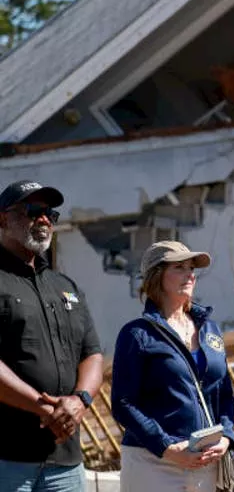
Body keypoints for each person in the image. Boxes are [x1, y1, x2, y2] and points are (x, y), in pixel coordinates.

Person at [0, 180, 104, 492]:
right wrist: (43, 408)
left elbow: (93, 354)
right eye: (33, 211)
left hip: (66, 464)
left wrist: (80, 401)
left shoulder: (65, 285)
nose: (44, 219)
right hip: (8, 461)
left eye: (50, 214)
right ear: (3, 219)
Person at [111, 241, 234, 491]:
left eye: (191, 268)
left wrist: (226, 437)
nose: (190, 274)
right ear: (157, 277)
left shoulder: (210, 330)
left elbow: (224, 394)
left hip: (205, 460)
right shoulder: (137, 334)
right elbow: (123, 404)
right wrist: (166, 447)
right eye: (179, 267)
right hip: (153, 462)